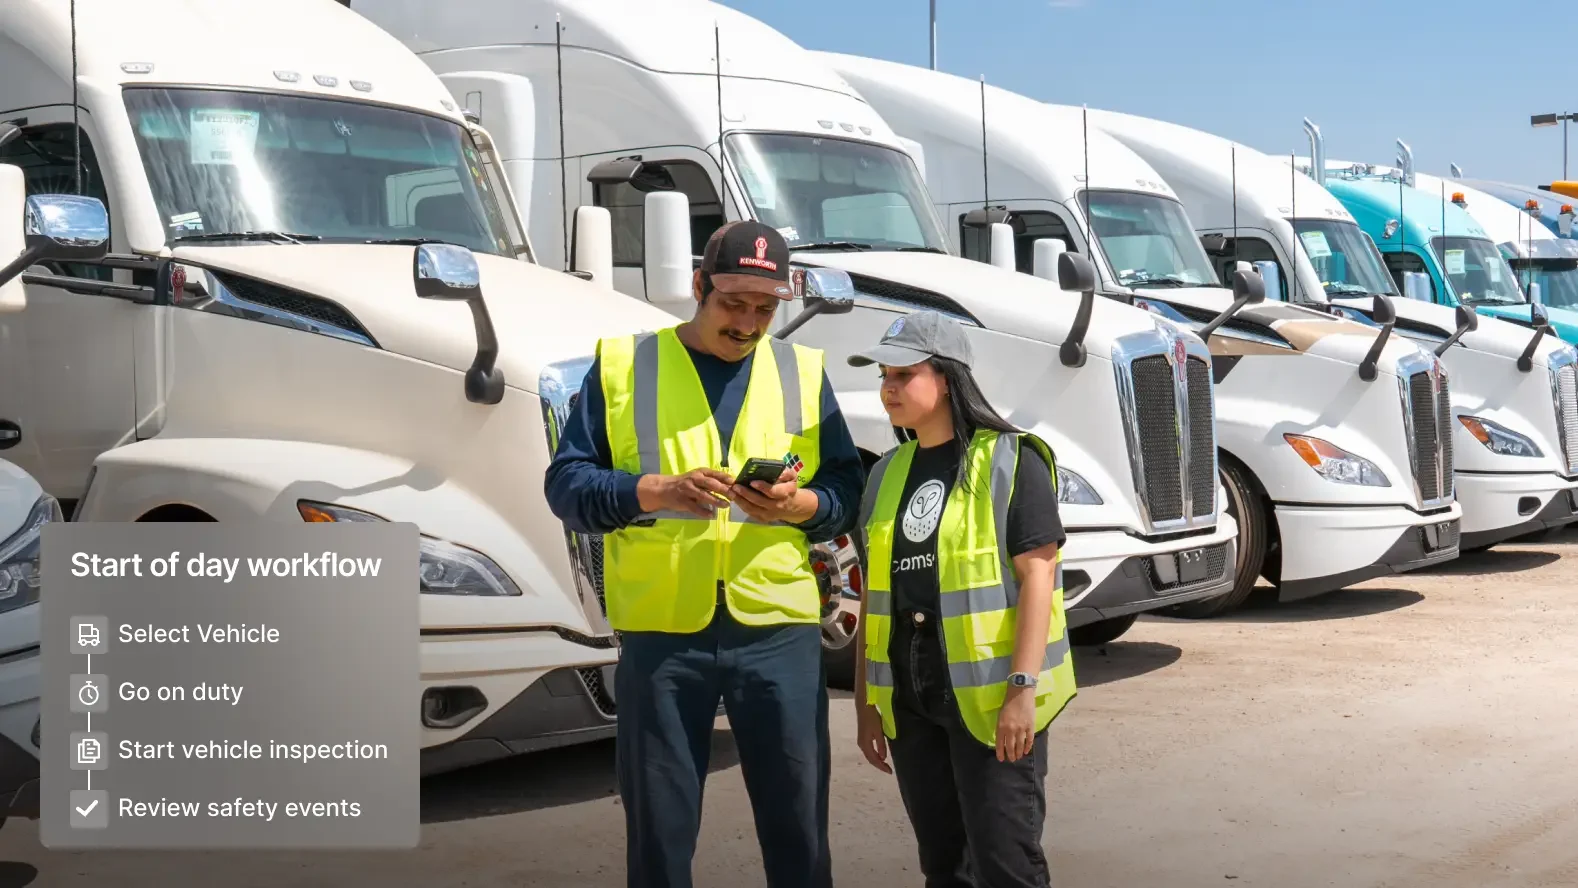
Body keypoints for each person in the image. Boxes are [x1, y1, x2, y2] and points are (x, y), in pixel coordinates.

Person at [544, 220, 865, 888]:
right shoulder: (623, 366)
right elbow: (566, 487)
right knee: (659, 838)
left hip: (778, 632)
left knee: (799, 831)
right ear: (697, 286)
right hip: (663, 638)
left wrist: (798, 506)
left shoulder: (802, 373)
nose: (748, 323)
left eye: (765, 308)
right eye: (733, 303)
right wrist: (650, 490)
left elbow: (844, 489)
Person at [847, 311, 1077, 888]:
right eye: (883, 376)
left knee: (1006, 863)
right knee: (943, 866)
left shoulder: (1011, 460)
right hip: (907, 692)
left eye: (904, 375)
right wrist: (865, 702)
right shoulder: (885, 475)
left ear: (947, 378)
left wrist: (1022, 691)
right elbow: (878, 596)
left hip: (992, 692)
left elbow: (1039, 578)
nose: (888, 389)